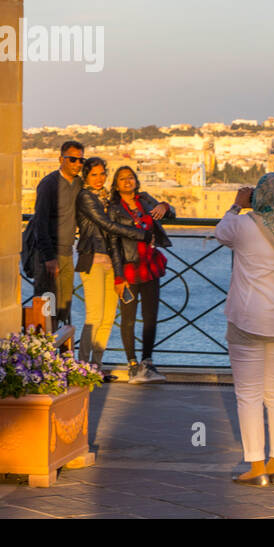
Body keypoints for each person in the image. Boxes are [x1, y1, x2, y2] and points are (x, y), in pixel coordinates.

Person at [214, 173, 274, 486]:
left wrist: (236, 205)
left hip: (248, 319)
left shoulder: (243, 226)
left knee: (249, 396)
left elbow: (220, 232)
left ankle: (256, 466)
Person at [75, 157, 148, 373]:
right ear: (86, 176)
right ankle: (81, 365)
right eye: (94, 174)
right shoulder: (86, 197)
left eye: (102, 174)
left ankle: (96, 366)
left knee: (108, 318)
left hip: (111, 262)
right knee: (94, 316)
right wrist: (141, 234)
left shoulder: (106, 198)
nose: (99, 179)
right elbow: (107, 224)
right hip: (92, 259)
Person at [109, 166, 174, 383]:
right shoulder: (114, 208)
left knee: (150, 317)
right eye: (122, 179)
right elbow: (114, 244)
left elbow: (170, 215)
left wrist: (165, 206)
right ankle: (132, 365)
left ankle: (147, 362)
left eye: (131, 177)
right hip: (128, 268)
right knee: (127, 319)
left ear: (136, 181)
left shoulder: (145, 200)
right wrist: (118, 277)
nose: (127, 181)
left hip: (150, 266)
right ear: (116, 185)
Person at [30, 141, 84, 327]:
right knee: (47, 305)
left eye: (80, 160)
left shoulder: (78, 183)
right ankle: (42, 351)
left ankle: (58, 351)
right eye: (73, 159)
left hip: (67, 252)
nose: (77, 164)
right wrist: (48, 257)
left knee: (63, 306)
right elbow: (40, 222)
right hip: (49, 254)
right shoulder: (48, 184)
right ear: (62, 159)